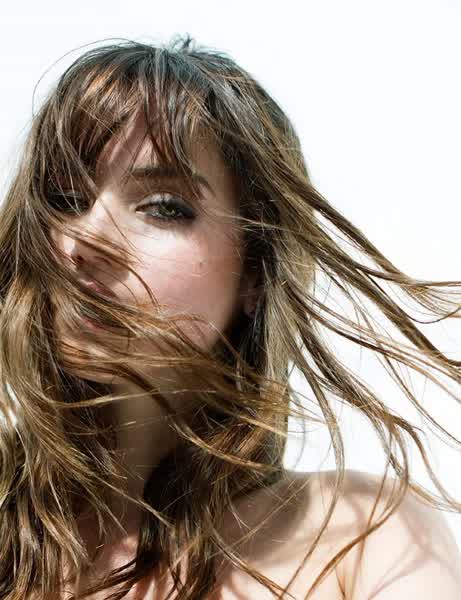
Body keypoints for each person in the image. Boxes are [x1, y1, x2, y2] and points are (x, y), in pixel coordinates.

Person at [0, 34, 460, 600]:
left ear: (255, 274)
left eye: (164, 207)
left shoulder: (363, 537)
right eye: (65, 199)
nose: (86, 238)